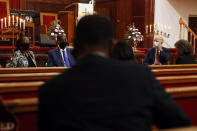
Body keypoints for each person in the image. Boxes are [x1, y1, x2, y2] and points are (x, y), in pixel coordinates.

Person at [38, 15, 190, 131]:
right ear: (111, 46)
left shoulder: (50, 89)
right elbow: (179, 122)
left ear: (74, 45)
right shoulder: (141, 76)